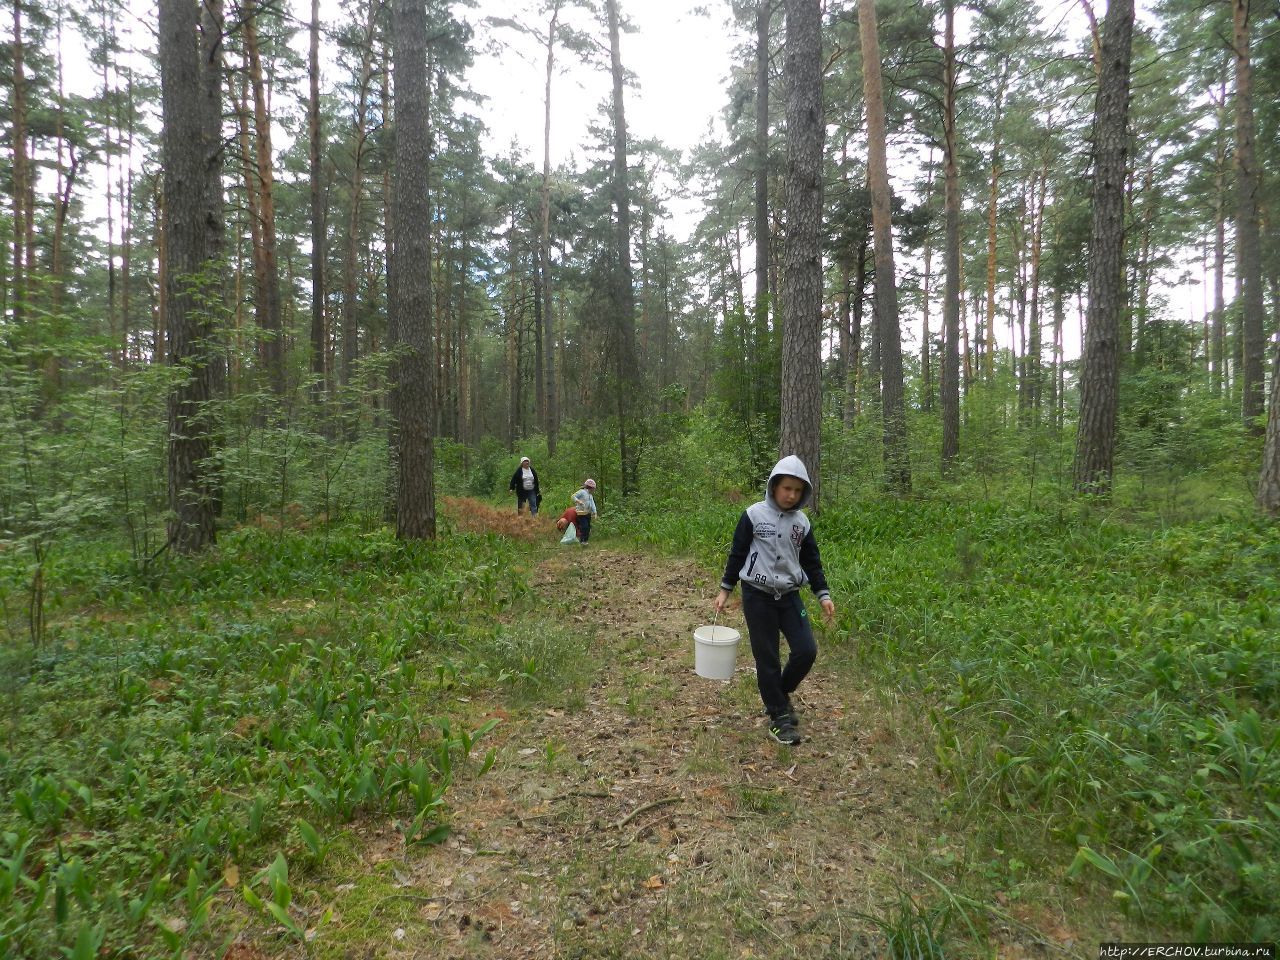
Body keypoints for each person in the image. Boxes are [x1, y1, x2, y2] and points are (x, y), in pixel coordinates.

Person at [714, 455, 835, 746]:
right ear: (773, 486)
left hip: (790, 596)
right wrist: (725, 589)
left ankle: (777, 695)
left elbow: (812, 562)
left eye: (797, 490)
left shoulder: (802, 523)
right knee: (767, 657)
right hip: (757, 597)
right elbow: (738, 553)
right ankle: (779, 717)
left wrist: (823, 595)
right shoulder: (754, 515)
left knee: (806, 650)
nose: (791, 495)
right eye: (786, 488)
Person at [571, 479, 598, 544]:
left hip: (587, 513)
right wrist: (578, 501)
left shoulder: (590, 495)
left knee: (588, 527)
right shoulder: (582, 492)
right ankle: (582, 540)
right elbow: (573, 496)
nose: (594, 490)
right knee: (584, 526)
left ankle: (585, 541)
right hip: (581, 513)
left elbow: (592, 504)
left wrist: (595, 512)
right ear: (590, 488)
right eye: (593, 489)